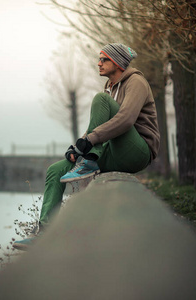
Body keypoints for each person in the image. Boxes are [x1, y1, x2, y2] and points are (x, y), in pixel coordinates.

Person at [13, 43, 160, 250]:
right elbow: (100, 127)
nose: (98, 63)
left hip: (138, 151)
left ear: (117, 63)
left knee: (100, 100)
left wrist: (89, 143)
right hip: (114, 150)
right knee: (56, 170)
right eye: (99, 59)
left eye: (103, 59)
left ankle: (90, 161)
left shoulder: (136, 82)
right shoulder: (109, 88)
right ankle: (44, 234)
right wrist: (77, 148)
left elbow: (126, 120)